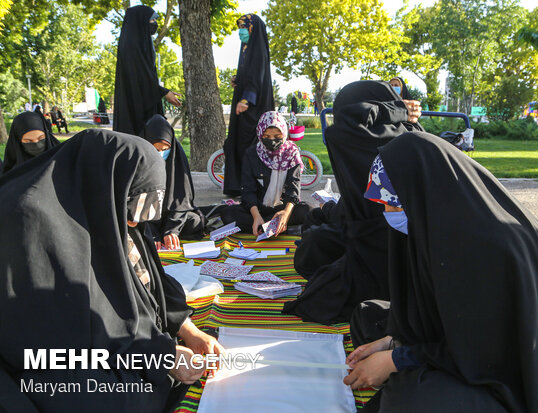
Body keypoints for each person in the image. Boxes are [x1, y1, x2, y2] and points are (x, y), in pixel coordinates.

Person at [344, 132, 538, 412]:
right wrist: (392, 341)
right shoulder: (441, 224)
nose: (388, 212)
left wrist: (396, 359)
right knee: (368, 315)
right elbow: (448, 316)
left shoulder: (489, 245)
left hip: (511, 382)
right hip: (467, 348)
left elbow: (489, 350)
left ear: (420, 190)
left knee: (414, 399)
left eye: (393, 202)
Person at [0, 129, 224, 413]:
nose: (137, 221)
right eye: (136, 203)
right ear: (111, 181)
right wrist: (160, 356)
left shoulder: (107, 204)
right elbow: (65, 329)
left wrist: (187, 329)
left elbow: (149, 278)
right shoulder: (32, 218)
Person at [282, 81, 423, 325]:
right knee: (314, 235)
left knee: (319, 298)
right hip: (365, 231)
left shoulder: (367, 137)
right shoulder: (406, 135)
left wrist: (398, 110)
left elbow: (347, 119)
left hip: (388, 249)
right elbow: (355, 199)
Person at [221, 111, 309, 236]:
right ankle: (273, 227)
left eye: (277, 136)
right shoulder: (251, 154)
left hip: (282, 208)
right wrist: (256, 216)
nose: (272, 141)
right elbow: (248, 190)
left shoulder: (291, 154)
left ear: (284, 133)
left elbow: (294, 189)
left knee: (308, 211)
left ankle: (271, 226)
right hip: (258, 208)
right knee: (228, 214)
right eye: (267, 137)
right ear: (260, 134)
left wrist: (285, 213)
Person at [223, 14, 275, 196]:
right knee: (236, 143)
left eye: (244, 27)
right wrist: (239, 80)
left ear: (253, 29)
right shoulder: (246, 48)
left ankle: (251, 186)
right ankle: (239, 185)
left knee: (249, 145)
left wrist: (246, 99)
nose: (241, 31)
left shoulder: (257, 48)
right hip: (246, 106)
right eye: (240, 27)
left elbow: (257, 76)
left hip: (254, 108)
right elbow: (249, 74)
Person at [141, 115, 211, 250]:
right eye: (155, 149)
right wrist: (151, 231)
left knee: (195, 222)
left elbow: (182, 203)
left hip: (172, 217)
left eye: (165, 149)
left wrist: (172, 230)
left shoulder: (177, 162)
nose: (160, 154)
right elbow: (135, 203)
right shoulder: (139, 163)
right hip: (146, 217)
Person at [113, 5, 182, 136]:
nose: (155, 24)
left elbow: (145, 75)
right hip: (137, 108)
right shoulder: (132, 45)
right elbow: (140, 76)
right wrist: (163, 92)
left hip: (140, 102)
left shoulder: (141, 42)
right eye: (152, 20)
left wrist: (162, 91)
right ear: (141, 21)